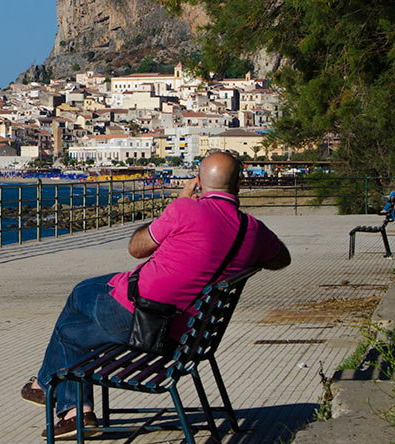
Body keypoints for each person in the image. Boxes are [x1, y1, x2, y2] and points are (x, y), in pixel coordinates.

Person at [19, 152, 291, 439]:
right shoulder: (253, 229)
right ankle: (53, 394)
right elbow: (281, 259)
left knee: (72, 318)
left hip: (144, 322)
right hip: (190, 336)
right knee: (83, 300)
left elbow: (137, 248)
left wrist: (177, 204)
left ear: (198, 182)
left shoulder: (185, 210)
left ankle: (62, 400)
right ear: (238, 184)